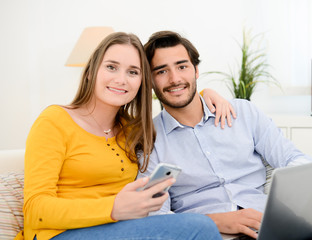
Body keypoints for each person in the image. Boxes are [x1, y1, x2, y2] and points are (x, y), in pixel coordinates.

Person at [18, 32, 228, 240]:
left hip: (121, 230)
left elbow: (180, 102)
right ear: (91, 72)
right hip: (60, 234)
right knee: (199, 227)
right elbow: (36, 210)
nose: (121, 80)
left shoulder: (132, 129)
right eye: (111, 67)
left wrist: (204, 94)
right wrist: (113, 208)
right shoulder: (54, 121)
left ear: (141, 83)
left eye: (133, 72)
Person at [138, 30, 312, 240]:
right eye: (161, 71)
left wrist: (296, 199)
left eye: (182, 66)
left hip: (272, 226)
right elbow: (155, 215)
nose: (175, 79)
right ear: (150, 80)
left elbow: (293, 158)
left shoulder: (244, 113)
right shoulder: (150, 140)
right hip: (214, 235)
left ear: (196, 70)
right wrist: (215, 221)